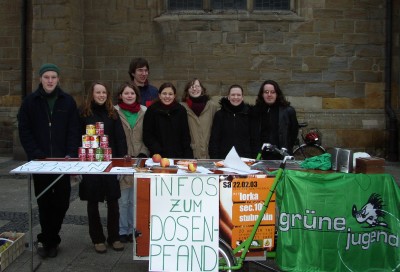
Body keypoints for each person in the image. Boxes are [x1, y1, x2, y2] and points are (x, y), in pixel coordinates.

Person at [17, 63, 80, 258]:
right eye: (46, 77)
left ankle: (51, 235)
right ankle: (48, 241)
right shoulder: (30, 102)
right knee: (44, 202)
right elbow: (24, 130)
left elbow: (74, 129)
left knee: (62, 201)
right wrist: (35, 153)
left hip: (62, 160)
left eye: (53, 77)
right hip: (40, 161)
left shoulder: (67, 101)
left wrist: (71, 152)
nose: (50, 80)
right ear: (40, 79)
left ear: (58, 79)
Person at [79, 81, 127, 253]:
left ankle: (114, 237)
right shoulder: (83, 113)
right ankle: (97, 238)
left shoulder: (112, 113)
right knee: (92, 202)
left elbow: (120, 138)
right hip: (90, 162)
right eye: (98, 92)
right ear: (91, 94)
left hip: (110, 163)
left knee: (113, 202)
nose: (101, 95)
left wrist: (121, 160)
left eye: (104, 92)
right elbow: (78, 137)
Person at [114, 82, 148, 243]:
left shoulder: (144, 111)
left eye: (132, 93)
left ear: (136, 95)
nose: (129, 96)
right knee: (123, 199)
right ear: (120, 95)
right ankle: (123, 230)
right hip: (123, 159)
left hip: (140, 158)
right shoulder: (114, 111)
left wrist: (144, 151)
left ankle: (135, 229)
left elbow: (148, 132)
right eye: (126, 93)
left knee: (137, 198)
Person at [250, 79, 299, 159]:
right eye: (266, 92)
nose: (269, 95)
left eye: (272, 92)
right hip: (261, 155)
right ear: (262, 94)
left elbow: (293, 133)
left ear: (277, 94)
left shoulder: (288, 111)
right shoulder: (255, 111)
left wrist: (287, 147)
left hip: (281, 155)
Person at [143, 82, 193, 159]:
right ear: (159, 95)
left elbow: (185, 135)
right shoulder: (152, 110)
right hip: (158, 156)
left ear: (174, 96)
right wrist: (157, 150)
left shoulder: (181, 110)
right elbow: (147, 135)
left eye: (170, 94)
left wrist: (187, 155)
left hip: (178, 155)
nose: (167, 96)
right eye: (164, 93)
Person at [209, 84, 252, 159]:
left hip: (245, 158)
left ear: (242, 97)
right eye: (233, 95)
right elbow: (214, 139)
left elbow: (254, 139)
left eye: (238, 95)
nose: (236, 97)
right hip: (224, 158)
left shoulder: (249, 114)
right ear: (228, 97)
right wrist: (215, 158)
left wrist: (252, 158)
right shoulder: (220, 115)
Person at [181, 78, 219, 159]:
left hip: (210, 155)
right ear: (187, 91)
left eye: (197, 86)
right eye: (191, 87)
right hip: (190, 156)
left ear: (202, 89)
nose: (194, 89)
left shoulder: (212, 106)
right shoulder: (182, 108)